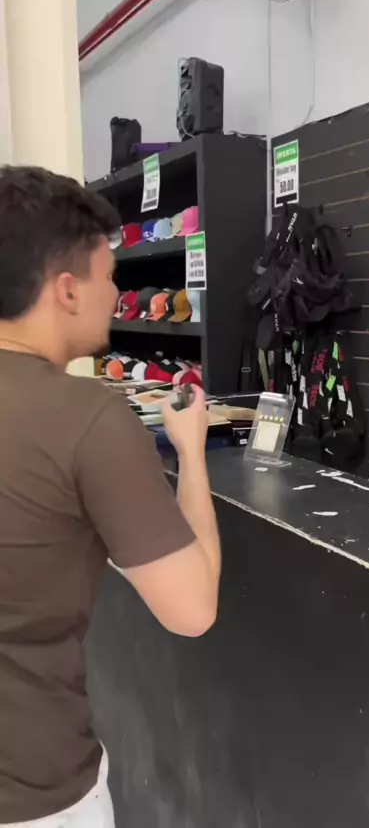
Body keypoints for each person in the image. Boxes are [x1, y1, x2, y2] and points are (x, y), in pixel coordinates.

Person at [0, 167, 221, 827]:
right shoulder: (87, 419)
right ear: (67, 290)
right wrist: (191, 454)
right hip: (36, 794)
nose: (118, 293)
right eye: (109, 275)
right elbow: (192, 610)